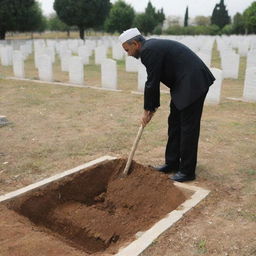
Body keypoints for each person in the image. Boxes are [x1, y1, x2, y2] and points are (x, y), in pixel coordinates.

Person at [119, 28, 215, 182]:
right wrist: (151, 107)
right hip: (182, 83)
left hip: (193, 81)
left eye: (127, 49)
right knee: (174, 123)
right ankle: (172, 163)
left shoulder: (148, 51)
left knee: (188, 128)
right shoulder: (150, 48)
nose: (128, 54)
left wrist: (147, 110)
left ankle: (187, 171)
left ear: (135, 44)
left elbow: (152, 81)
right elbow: (154, 80)